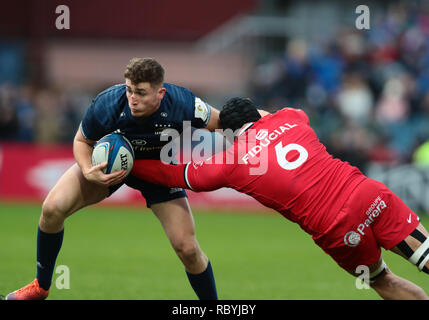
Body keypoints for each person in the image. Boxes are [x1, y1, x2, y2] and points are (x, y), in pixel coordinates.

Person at [131, 97, 429, 300]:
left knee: (380, 280)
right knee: (425, 254)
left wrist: (130, 160)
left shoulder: (232, 161)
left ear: (229, 134)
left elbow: (176, 175)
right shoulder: (291, 118)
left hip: (338, 229)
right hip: (368, 194)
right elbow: (265, 118)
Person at [6, 58, 220, 300]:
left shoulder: (184, 103)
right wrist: (88, 170)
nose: (132, 98)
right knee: (52, 209)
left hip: (159, 173)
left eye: (141, 92)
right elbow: (81, 141)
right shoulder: (108, 103)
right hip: (110, 168)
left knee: (188, 249)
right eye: (129, 89)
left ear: (160, 93)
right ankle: (40, 287)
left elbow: (221, 123)